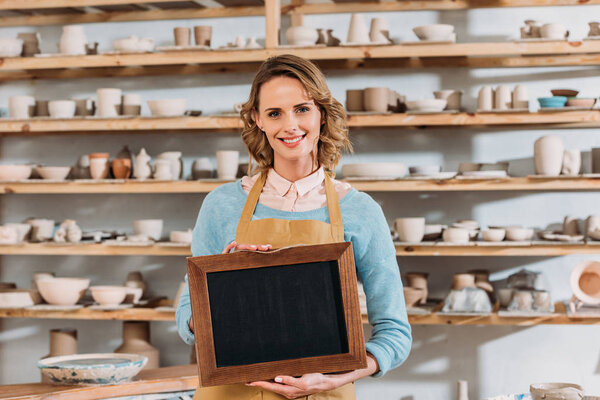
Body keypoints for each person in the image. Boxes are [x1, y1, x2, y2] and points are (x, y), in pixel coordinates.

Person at [176, 54, 412, 400]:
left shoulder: (360, 210)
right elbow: (187, 320)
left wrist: (336, 378)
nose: (290, 125)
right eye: (275, 113)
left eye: (302, 109)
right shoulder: (222, 205)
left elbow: (394, 332)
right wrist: (220, 286)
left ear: (322, 113)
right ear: (257, 119)